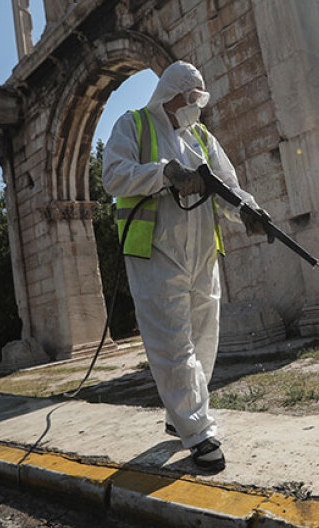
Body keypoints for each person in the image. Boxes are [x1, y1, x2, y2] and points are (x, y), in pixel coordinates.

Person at [101, 61, 267, 472]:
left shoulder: (201, 137)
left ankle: (181, 417)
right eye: (190, 97)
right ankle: (199, 432)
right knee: (173, 345)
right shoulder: (134, 125)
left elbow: (227, 185)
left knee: (204, 338)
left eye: (200, 98)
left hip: (201, 254)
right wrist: (164, 174)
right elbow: (113, 176)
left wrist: (249, 211)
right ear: (170, 94)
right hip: (156, 252)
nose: (196, 105)